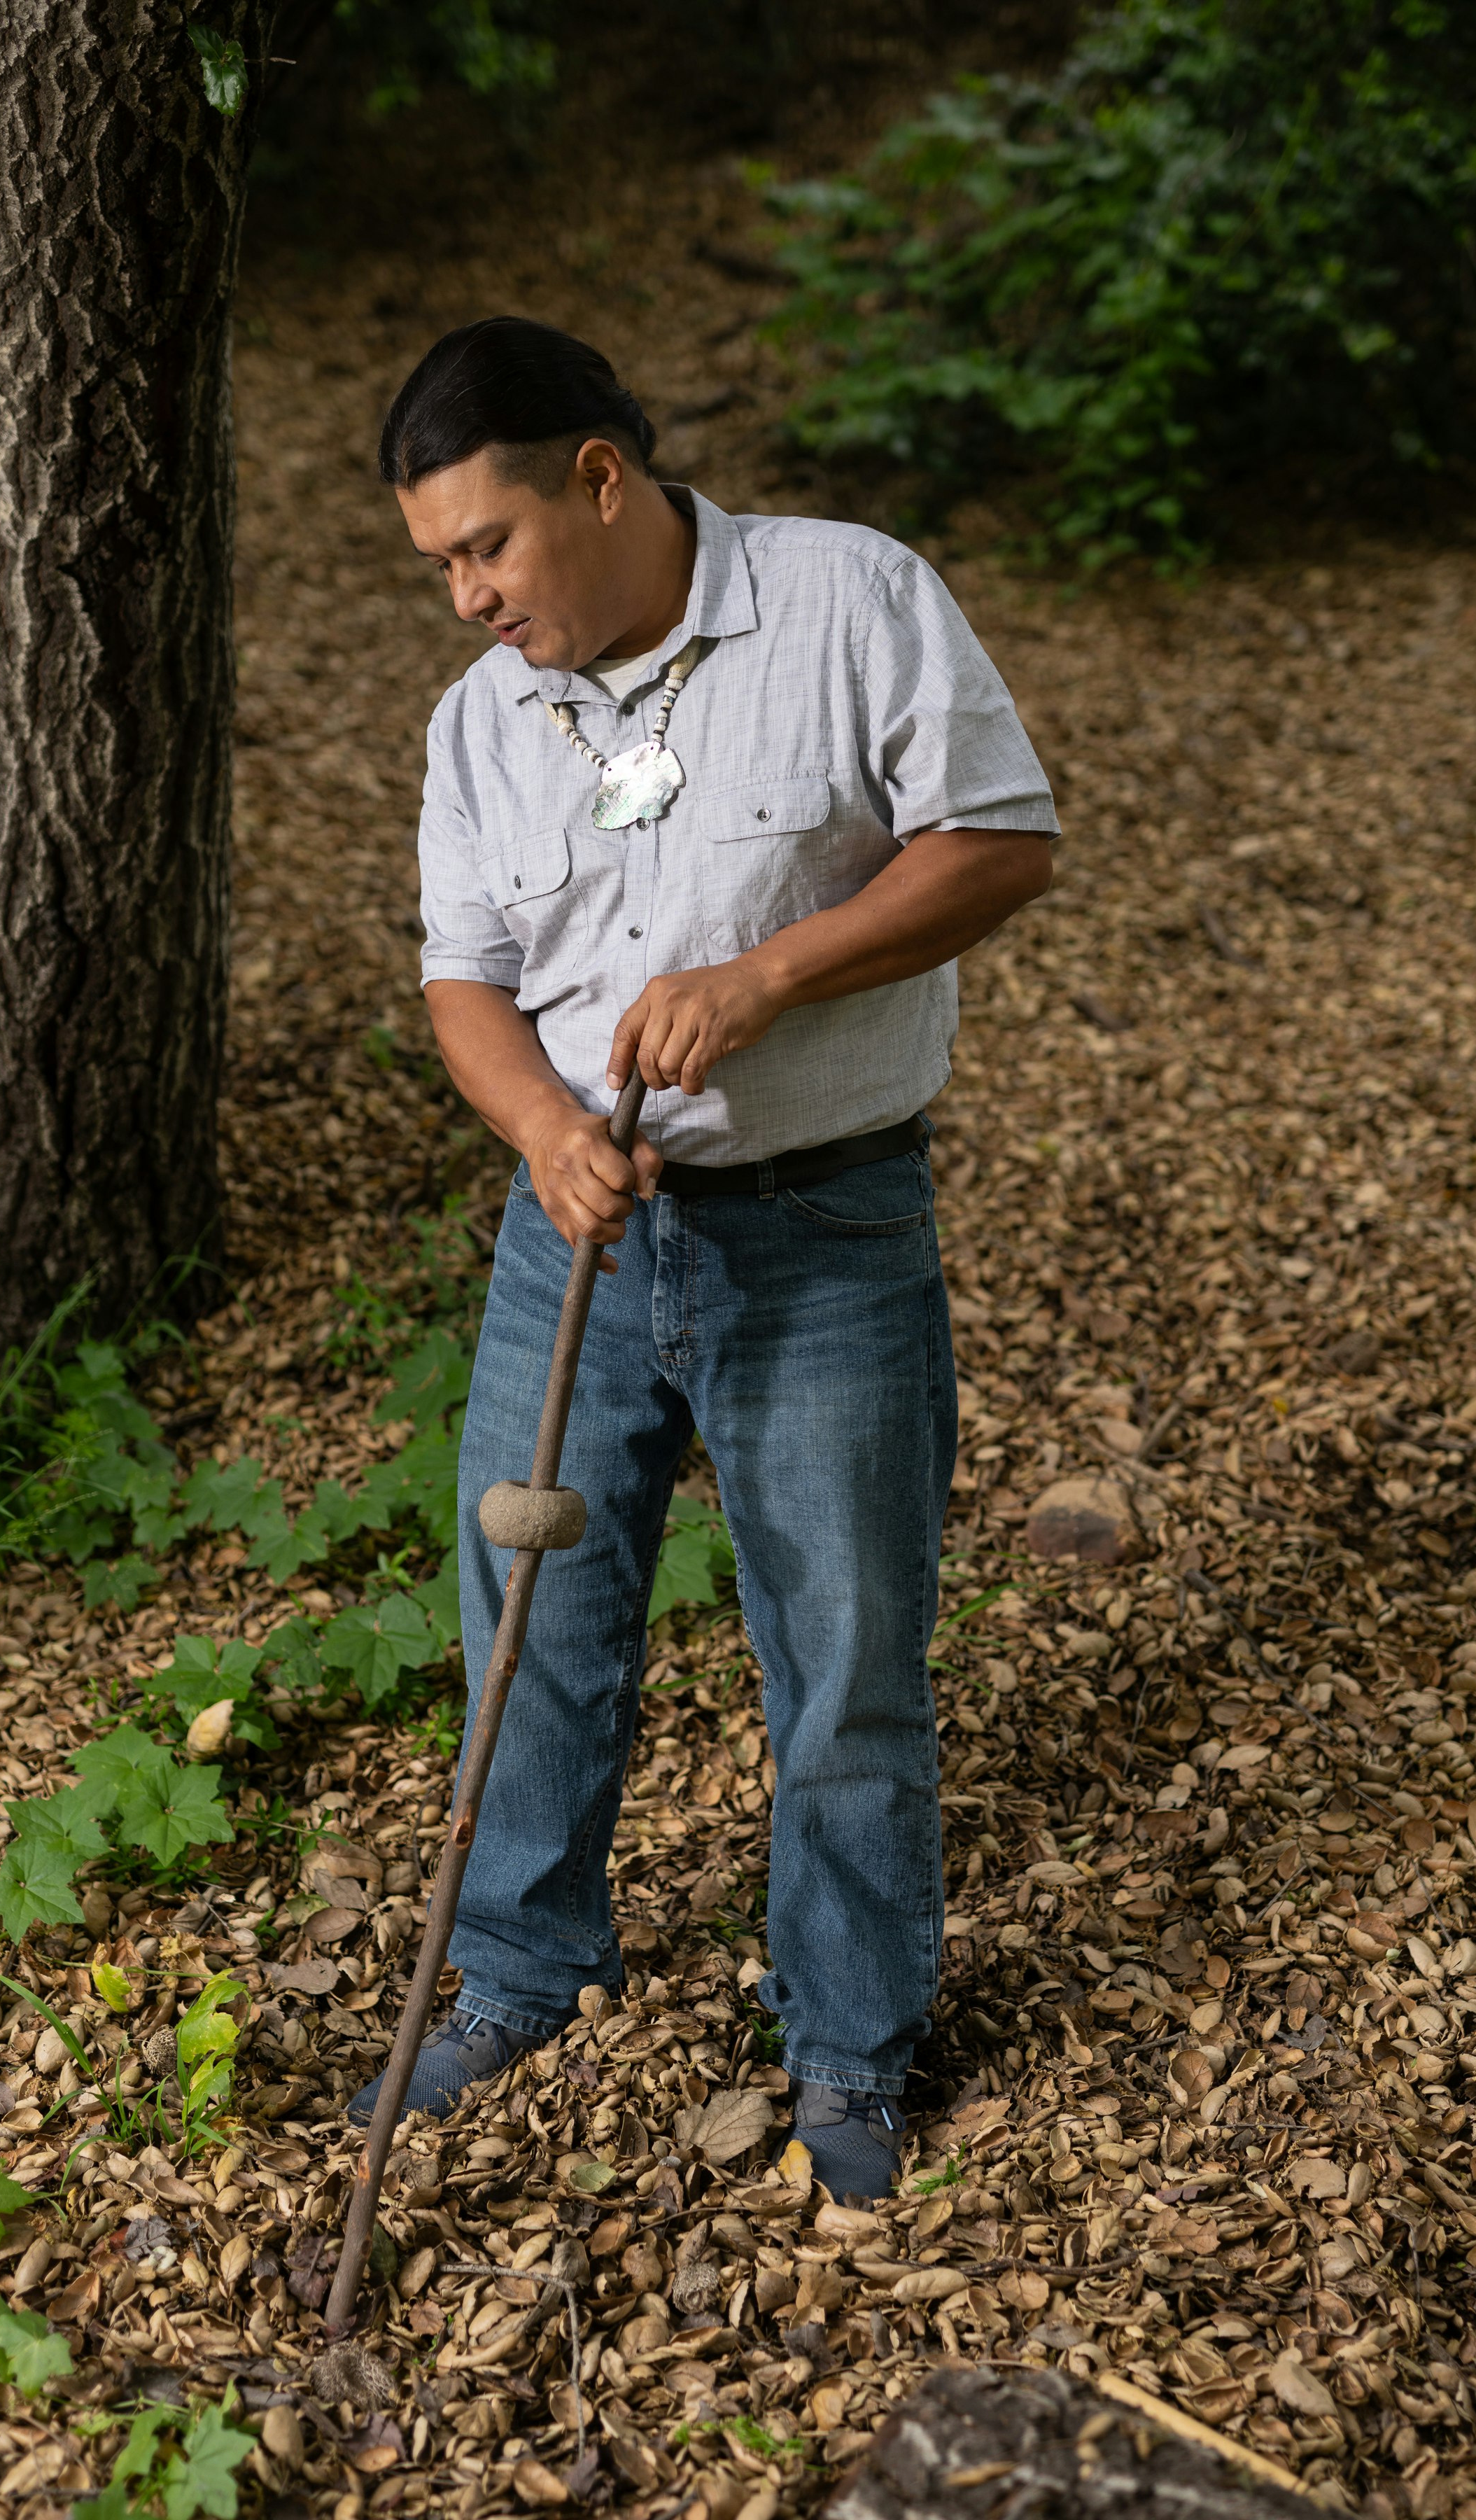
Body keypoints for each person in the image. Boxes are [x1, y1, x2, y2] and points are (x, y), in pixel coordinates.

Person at [348, 315, 1057, 2197]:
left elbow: (998, 841)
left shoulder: (844, 599)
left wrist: (766, 975)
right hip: (572, 1234)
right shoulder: (486, 717)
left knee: (841, 1653)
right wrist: (542, 1130)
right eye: (439, 569)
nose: (467, 601)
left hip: (825, 1224)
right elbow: (463, 979)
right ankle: (513, 1972)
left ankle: (846, 2044)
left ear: (599, 477)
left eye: (483, 549)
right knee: (536, 1623)